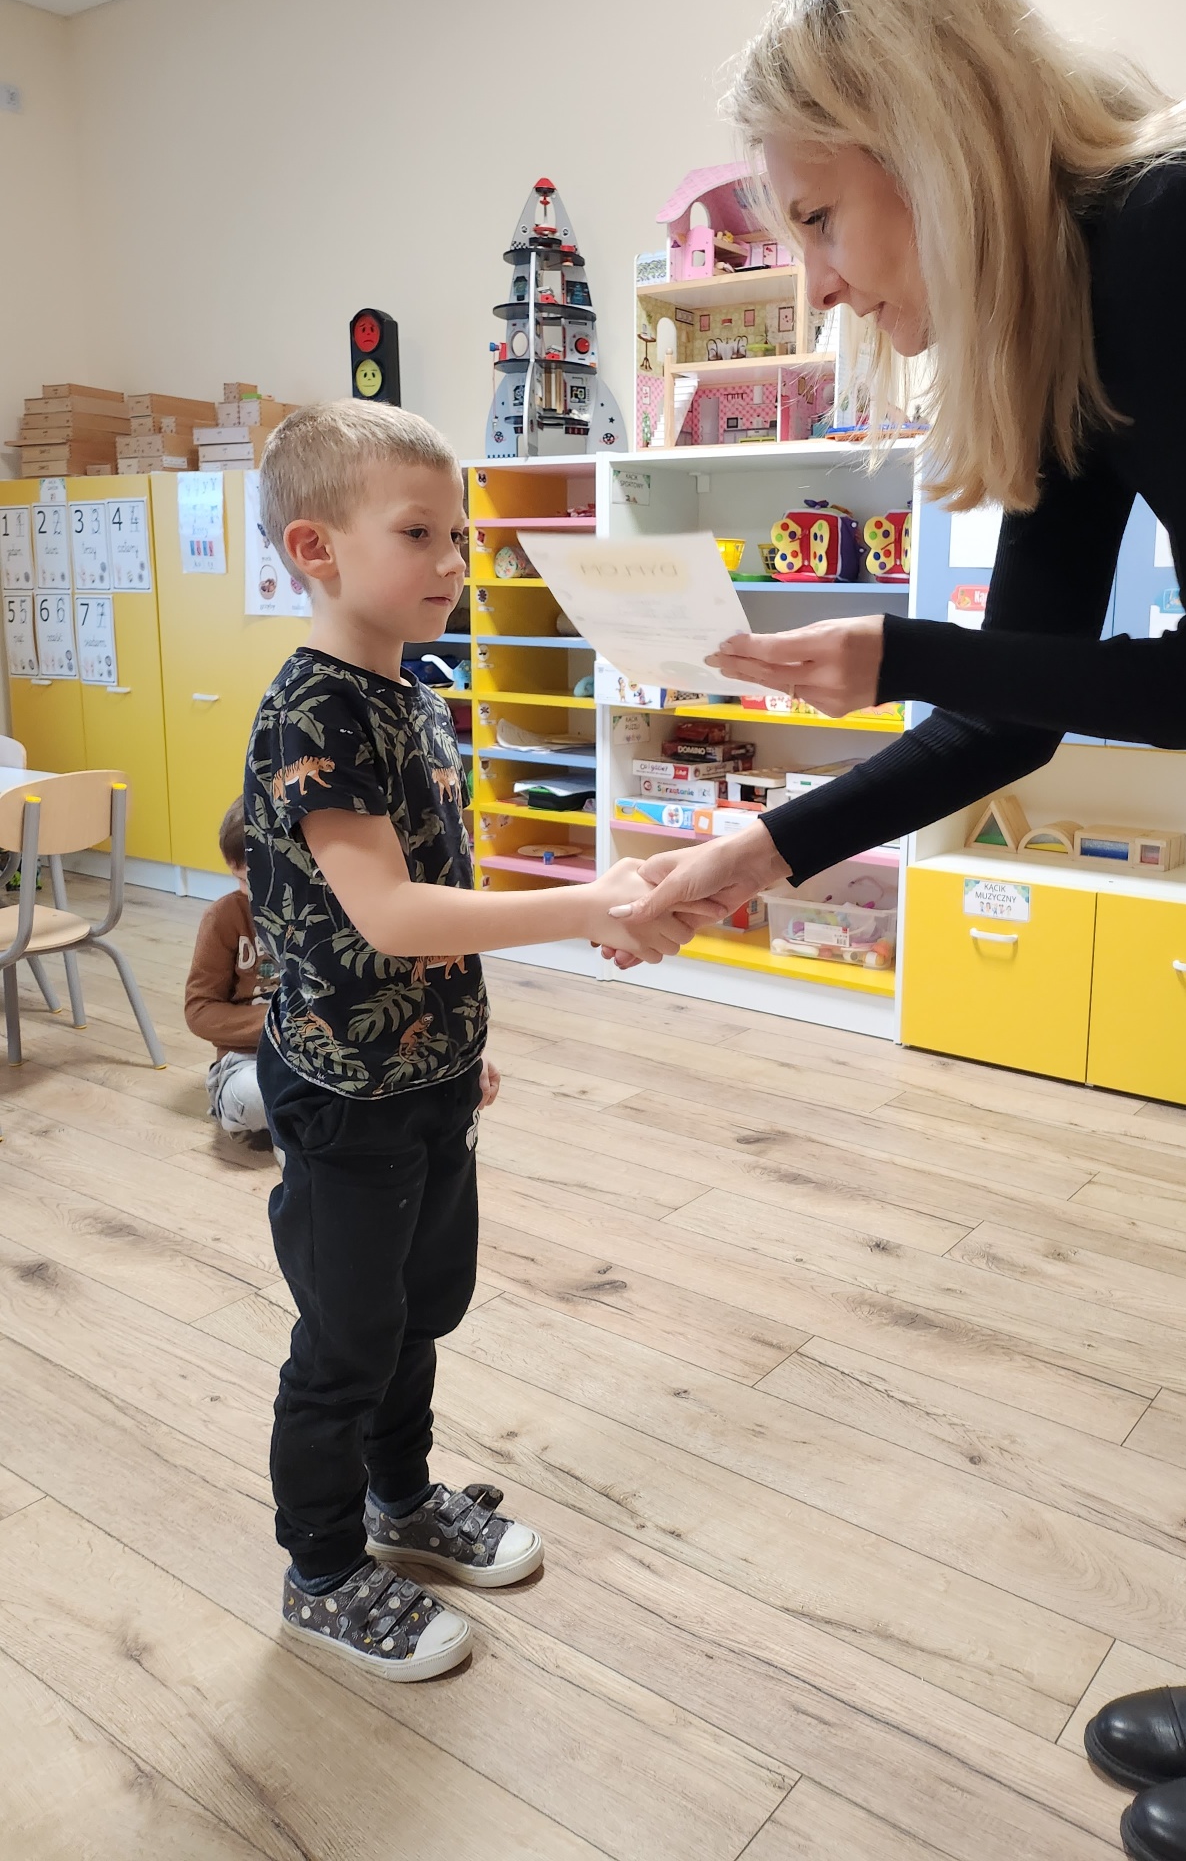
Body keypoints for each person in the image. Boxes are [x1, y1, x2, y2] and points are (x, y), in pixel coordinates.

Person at [611, 0, 1186, 1861]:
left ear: (928, 142)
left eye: (821, 217)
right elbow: (1015, 709)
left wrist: (900, 649)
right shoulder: (1072, 314)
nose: (817, 279)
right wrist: (753, 853)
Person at [246, 401, 711, 1683]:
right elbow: (390, 913)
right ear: (315, 548)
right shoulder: (312, 711)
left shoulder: (416, 692)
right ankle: (322, 1570)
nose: (454, 560)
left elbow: (439, 894)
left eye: (458, 534)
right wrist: (593, 902)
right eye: (419, 533)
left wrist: (455, 1041)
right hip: (344, 1090)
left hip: (427, 1073)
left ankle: (402, 1501)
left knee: (419, 1306)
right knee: (346, 1339)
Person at [183, 796, 274, 1148]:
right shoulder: (223, 917)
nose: (249, 893)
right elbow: (200, 1010)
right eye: (240, 880)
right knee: (254, 1096)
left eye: (258, 881)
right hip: (246, 1060)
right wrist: (281, 1024)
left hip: (317, 1059)